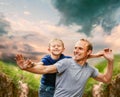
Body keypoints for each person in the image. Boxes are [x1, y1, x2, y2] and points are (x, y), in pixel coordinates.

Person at [16, 38, 114, 97]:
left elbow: (106, 79)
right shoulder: (66, 62)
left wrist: (110, 61)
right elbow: (45, 69)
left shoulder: (90, 69)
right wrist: (27, 67)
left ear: (88, 52)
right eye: (75, 48)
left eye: (80, 48)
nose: (76, 51)